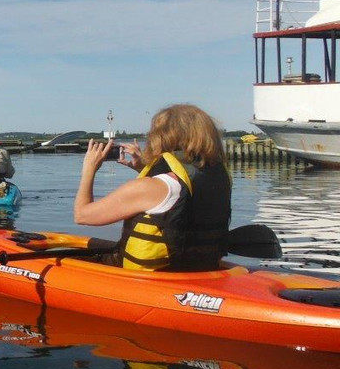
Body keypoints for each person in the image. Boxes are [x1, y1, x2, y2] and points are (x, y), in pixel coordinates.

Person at [74, 103, 232, 272]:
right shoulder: (220, 178)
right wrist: (142, 169)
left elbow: (82, 215)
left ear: (160, 137)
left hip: (149, 280)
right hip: (201, 269)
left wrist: (89, 169)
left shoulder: (152, 188)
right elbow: (180, 198)